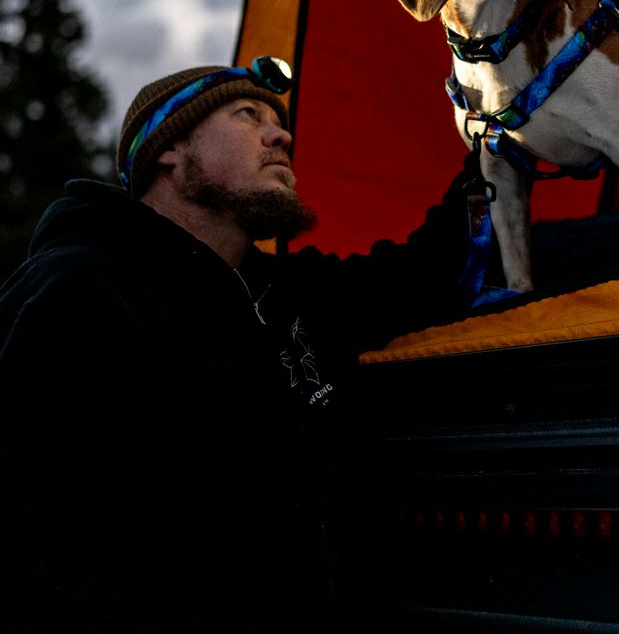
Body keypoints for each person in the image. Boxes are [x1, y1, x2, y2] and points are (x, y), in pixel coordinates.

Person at [0, 56, 472, 632]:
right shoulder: (79, 293)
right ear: (170, 150)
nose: (281, 136)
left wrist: (494, 145)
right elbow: (30, 549)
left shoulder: (286, 293)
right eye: (248, 115)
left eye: (277, 122)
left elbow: (425, 271)